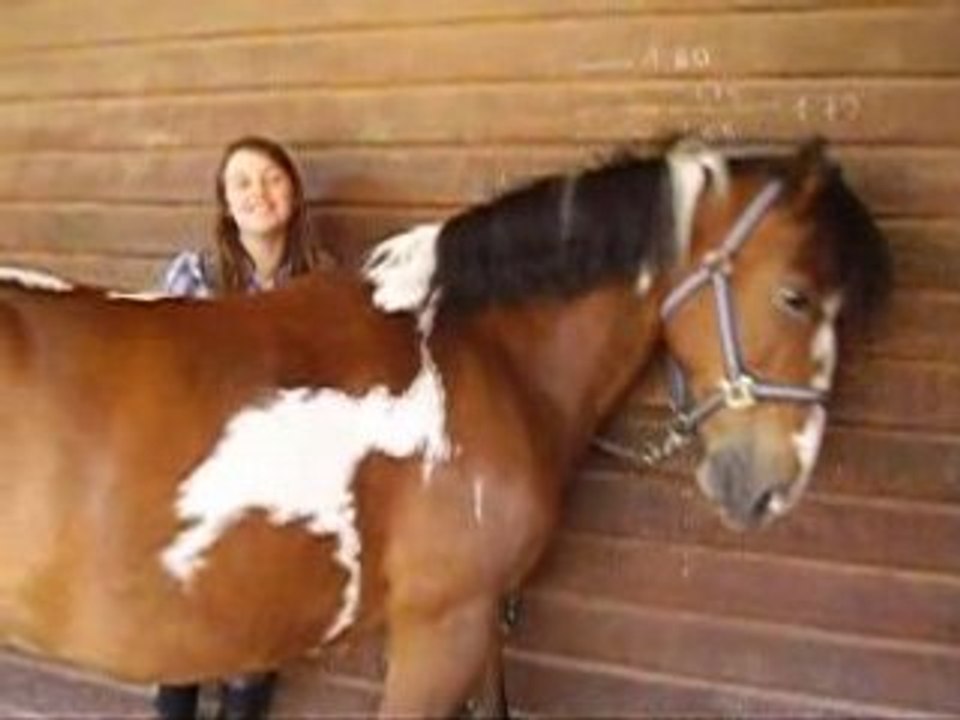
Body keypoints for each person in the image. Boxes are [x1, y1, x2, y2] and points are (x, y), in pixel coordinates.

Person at [155, 135, 334, 720]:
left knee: (254, 649)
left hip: (282, 496)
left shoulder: (326, 283)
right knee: (181, 650)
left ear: (294, 192)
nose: (259, 192)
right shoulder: (193, 275)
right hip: (200, 482)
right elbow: (169, 377)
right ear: (225, 202)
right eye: (242, 182)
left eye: (272, 178)